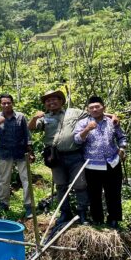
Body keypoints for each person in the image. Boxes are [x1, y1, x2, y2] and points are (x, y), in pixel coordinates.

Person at [28, 89, 90, 226]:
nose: (51, 102)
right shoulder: (44, 117)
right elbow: (31, 128)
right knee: (61, 185)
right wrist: (34, 117)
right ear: (45, 104)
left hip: (75, 155)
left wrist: (111, 116)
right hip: (55, 157)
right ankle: (65, 213)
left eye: (54, 99)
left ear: (61, 101)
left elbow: (94, 113)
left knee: (80, 185)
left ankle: (82, 213)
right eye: (48, 101)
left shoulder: (74, 112)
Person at [73, 96, 128, 229]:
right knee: (94, 193)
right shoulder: (83, 123)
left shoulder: (112, 121)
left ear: (103, 107)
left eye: (97, 106)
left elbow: (122, 137)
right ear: (88, 109)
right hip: (92, 165)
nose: (95, 109)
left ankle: (114, 219)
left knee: (113, 193)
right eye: (91, 107)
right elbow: (76, 140)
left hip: (112, 162)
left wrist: (122, 149)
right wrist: (87, 130)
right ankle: (97, 220)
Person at [0, 94, 33, 217]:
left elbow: (27, 135)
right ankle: (4, 203)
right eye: (4, 103)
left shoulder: (20, 117)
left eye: (8, 102)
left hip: (21, 152)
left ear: (12, 103)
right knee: (4, 180)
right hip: (5, 152)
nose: (6, 105)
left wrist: (31, 152)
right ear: (0, 104)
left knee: (26, 180)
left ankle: (29, 205)